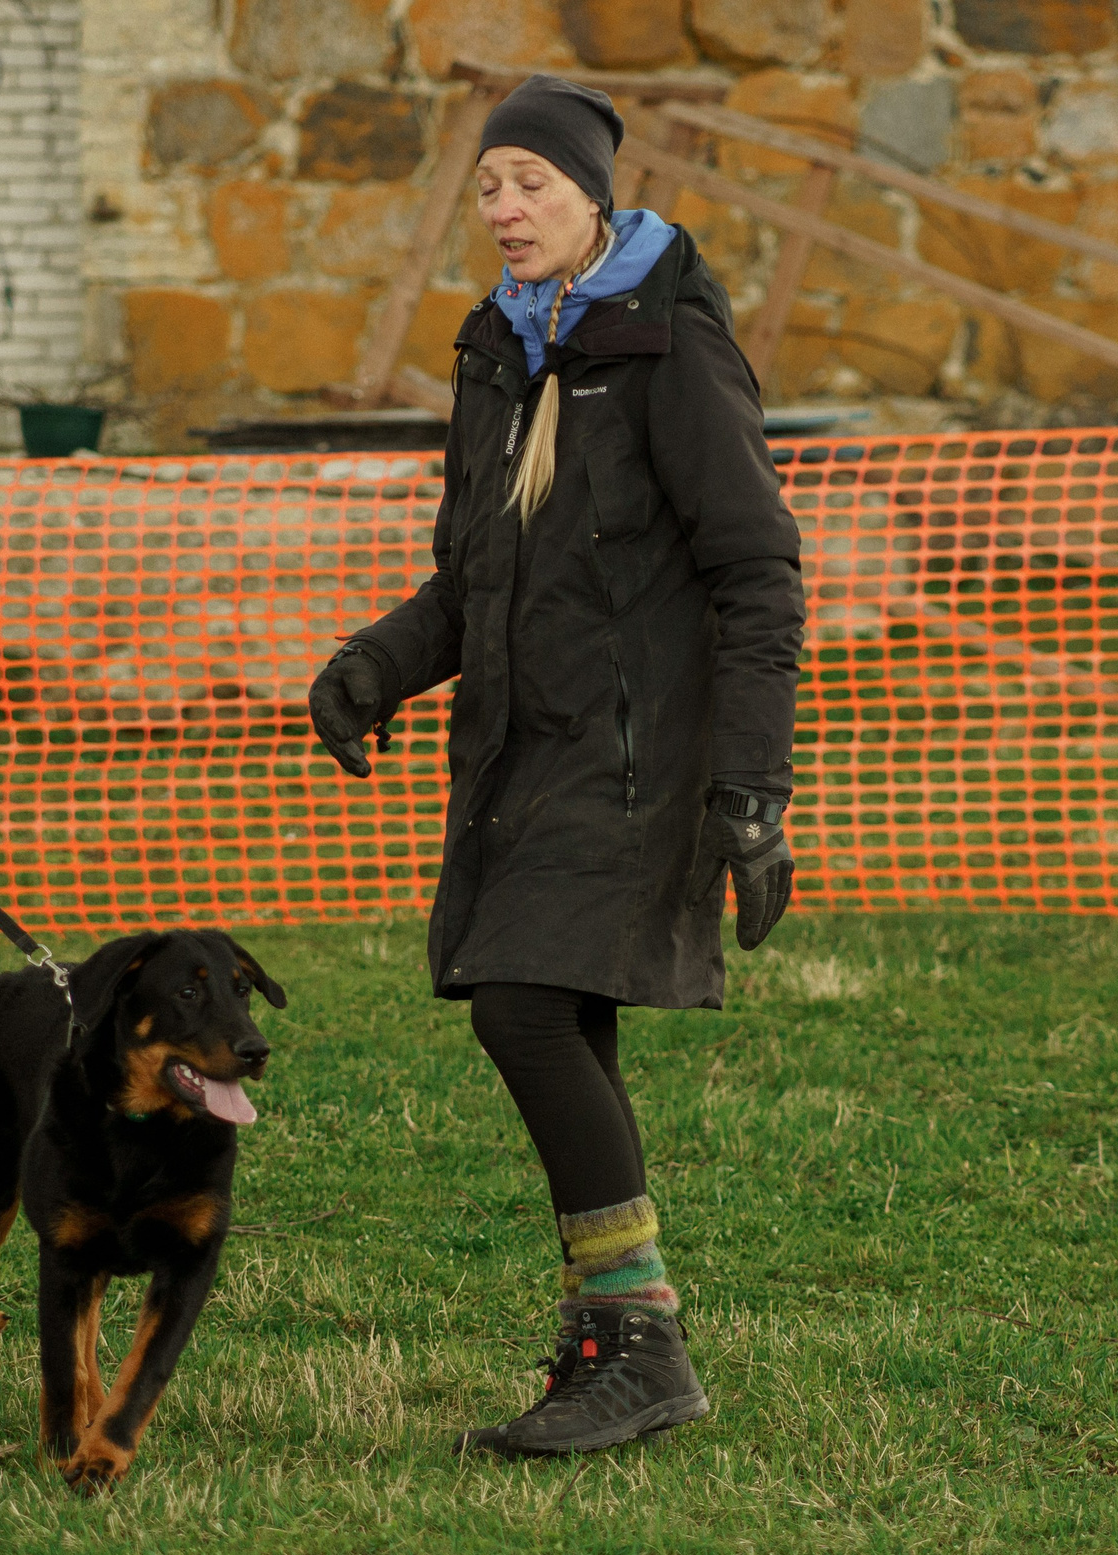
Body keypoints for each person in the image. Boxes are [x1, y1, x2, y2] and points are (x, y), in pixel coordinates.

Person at [309, 75, 805, 1458]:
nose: (507, 209)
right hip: (524, 752)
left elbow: (759, 572)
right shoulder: (499, 352)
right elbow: (472, 582)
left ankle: (637, 1332)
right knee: (559, 1017)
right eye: (488, 188)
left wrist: (752, 795)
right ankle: (619, 1341)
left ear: (596, 197)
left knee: (522, 1009)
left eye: (532, 183)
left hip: (647, 761)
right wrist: (374, 668)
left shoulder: (670, 348)